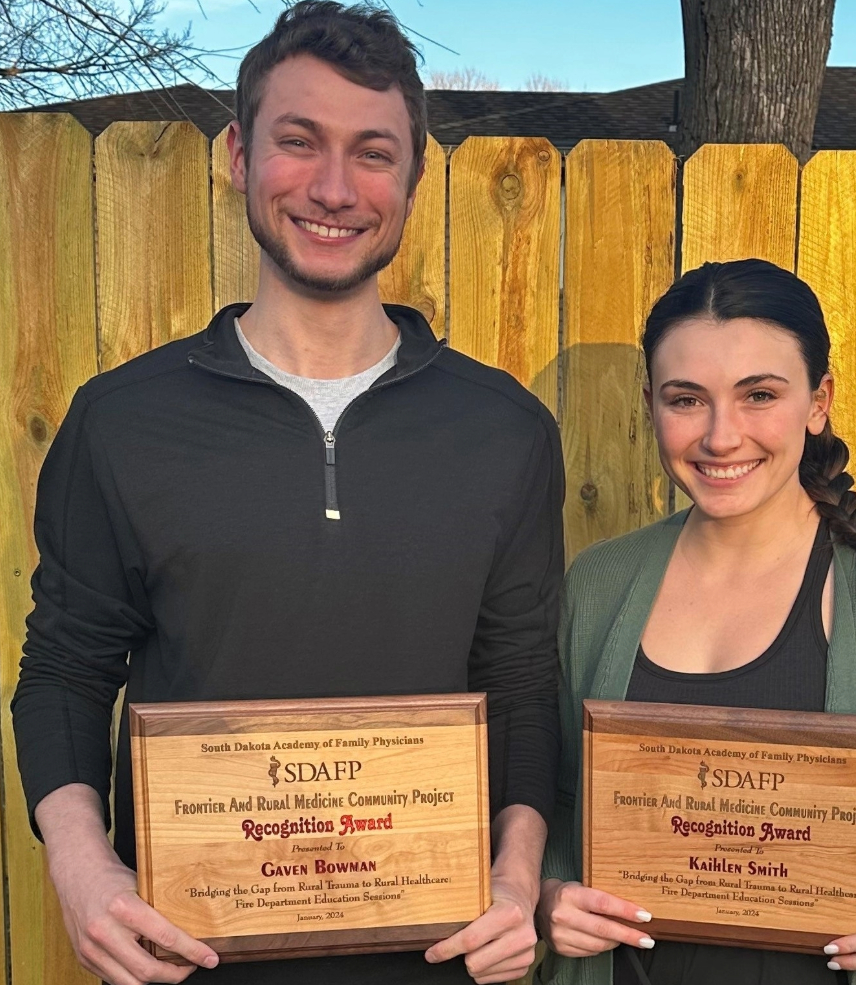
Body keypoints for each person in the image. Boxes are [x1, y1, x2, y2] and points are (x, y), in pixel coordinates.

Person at [11, 4, 563, 984]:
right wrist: (85, 871)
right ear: (237, 153)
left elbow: (518, 686)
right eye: (299, 142)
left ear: (414, 178)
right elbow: (65, 670)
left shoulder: (506, 431)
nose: (335, 188)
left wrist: (516, 882)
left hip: (435, 958)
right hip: (189, 956)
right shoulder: (122, 420)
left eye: (374, 153)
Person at [535, 259, 856, 985]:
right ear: (650, 405)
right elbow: (559, 802)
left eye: (758, 394)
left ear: (818, 400)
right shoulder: (598, 585)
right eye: (687, 399)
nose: (721, 436)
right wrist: (549, 895)